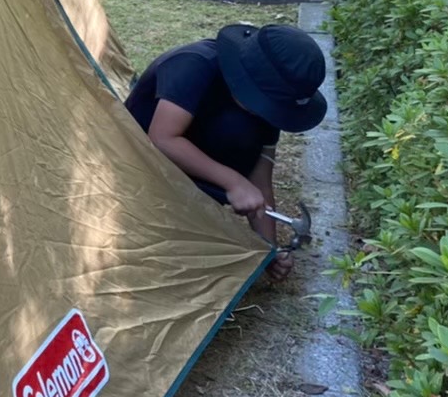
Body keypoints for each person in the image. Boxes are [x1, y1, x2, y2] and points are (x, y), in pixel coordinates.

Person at [125, 23, 326, 275]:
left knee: (241, 130)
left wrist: (268, 249)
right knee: (234, 128)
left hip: (188, 161)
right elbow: (162, 138)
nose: (271, 112)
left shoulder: (266, 109)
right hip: (136, 163)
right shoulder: (194, 64)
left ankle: (193, 204)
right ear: (247, 81)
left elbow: (260, 184)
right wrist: (233, 182)